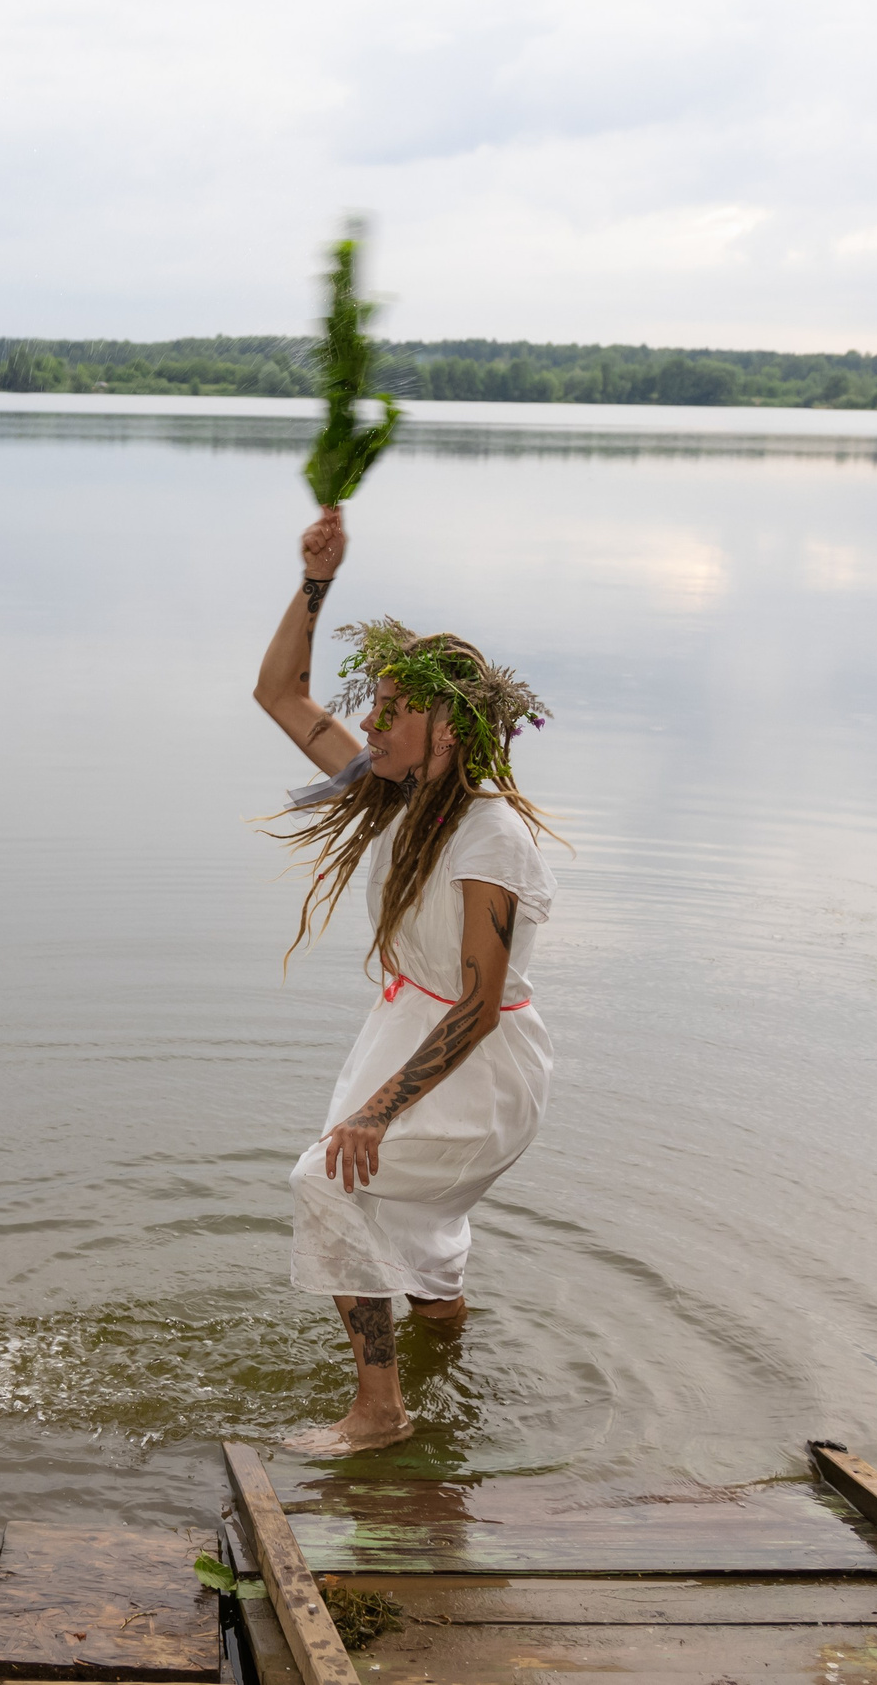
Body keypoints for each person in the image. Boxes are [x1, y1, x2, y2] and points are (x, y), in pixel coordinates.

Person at [252, 503, 559, 1454]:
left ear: (453, 730)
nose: (372, 726)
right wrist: (316, 582)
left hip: (481, 1061)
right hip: (406, 1030)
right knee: (411, 1218)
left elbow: (477, 1004)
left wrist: (378, 1111)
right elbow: (280, 695)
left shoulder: (491, 837)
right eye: (373, 708)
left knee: (330, 1181)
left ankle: (380, 1413)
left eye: (395, 713)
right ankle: (441, 1341)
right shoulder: (392, 796)